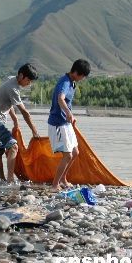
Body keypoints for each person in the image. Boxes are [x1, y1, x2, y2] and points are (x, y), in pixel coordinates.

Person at [0, 63, 40, 183]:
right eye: (28, 80)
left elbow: (9, 104)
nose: (29, 84)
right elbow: (25, 113)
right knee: (14, 147)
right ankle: (10, 181)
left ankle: (2, 180)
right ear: (21, 76)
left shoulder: (10, 79)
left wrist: (15, 120)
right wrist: (34, 131)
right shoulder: (13, 88)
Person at [48, 59, 91, 190]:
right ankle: (55, 185)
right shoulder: (65, 82)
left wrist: (70, 115)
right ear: (76, 72)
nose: (82, 79)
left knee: (75, 152)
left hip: (66, 123)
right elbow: (60, 98)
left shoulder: (72, 83)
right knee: (68, 155)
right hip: (58, 124)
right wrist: (68, 112)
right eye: (82, 76)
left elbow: (66, 101)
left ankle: (63, 178)